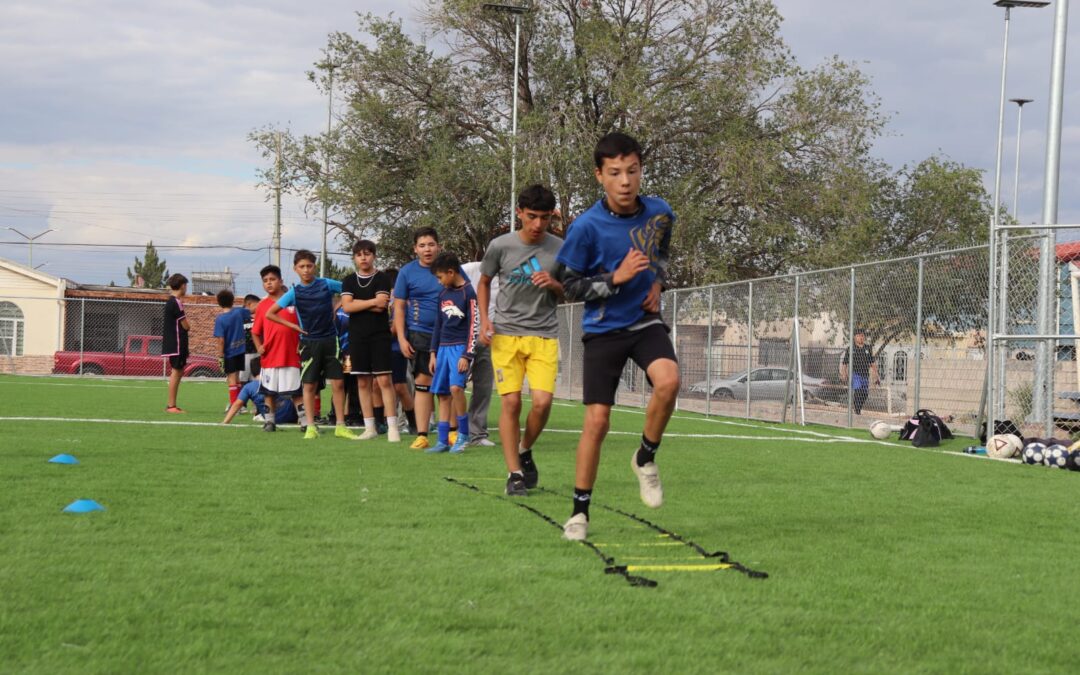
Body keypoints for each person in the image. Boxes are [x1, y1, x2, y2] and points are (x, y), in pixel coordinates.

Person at [556, 132, 680, 541]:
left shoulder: (661, 212)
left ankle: (645, 458)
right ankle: (579, 513)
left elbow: (661, 251)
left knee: (670, 381)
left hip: (644, 323)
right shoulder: (586, 227)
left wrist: (657, 283)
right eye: (615, 173)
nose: (625, 181)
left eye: (632, 171)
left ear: (641, 170)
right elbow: (569, 287)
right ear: (600, 176)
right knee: (597, 421)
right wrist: (616, 279)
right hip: (604, 330)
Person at [478, 184, 564, 496]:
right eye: (531, 217)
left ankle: (525, 449)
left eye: (544, 218)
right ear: (519, 214)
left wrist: (553, 284)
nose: (538, 224)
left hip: (544, 334)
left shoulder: (559, 248)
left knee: (542, 403)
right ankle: (514, 473)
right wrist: (485, 321)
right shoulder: (500, 246)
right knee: (511, 402)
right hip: (506, 334)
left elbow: (569, 291)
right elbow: (484, 282)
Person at [265, 250, 360, 440]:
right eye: (302, 267)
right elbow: (271, 313)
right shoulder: (294, 292)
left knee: (339, 383)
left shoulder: (326, 284)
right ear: (295, 269)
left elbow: (349, 291)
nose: (306, 270)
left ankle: (340, 425)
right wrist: (294, 326)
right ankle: (310, 426)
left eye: (309, 266)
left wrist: (338, 305)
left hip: (331, 340)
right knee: (309, 385)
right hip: (309, 343)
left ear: (314, 266)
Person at [341, 239, 401, 442]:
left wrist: (359, 303)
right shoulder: (348, 280)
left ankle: (393, 427)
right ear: (355, 258)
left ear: (374, 256)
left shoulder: (383, 278)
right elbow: (346, 307)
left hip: (380, 336)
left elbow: (381, 306)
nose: (363, 257)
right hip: (357, 337)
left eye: (367, 253)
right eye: (359, 254)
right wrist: (372, 301)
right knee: (363, 382)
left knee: (384, 380)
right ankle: (370, 428)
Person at [393, 227, 444, 450]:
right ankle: (422, 434)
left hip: (448, 335)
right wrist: (403, 339)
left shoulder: (449, 268)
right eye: (422, 245)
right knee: (423, 383)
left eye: (431, 244)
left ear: (439, 246)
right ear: (415, 249)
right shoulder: (407, 272)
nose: (427, 249)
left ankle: (449, 434)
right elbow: (399, 307)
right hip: (419, 334)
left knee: (448, 386)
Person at [426, 252, 480, 454]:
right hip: (442, 349)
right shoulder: (443, 294)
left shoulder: (469, 293)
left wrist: (467, 355)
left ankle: (463, 435)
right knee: (442, 393)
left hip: (460, 348)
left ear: (451, 272)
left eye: (440, 277)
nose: (439, 282)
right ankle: (442, 440)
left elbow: (474, 325)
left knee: (456, 388)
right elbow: (438, 326)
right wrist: (433, 353)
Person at [251, 265, 303, 432]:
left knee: (296, 391)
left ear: (281, 281)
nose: (269, 283)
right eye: (265, 281)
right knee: (269, 392)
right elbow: (255, 332)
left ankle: (304, 422)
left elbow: (303, 326)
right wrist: (259, 346)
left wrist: (302, 343)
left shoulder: (293, 301)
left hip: (291, 355)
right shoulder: (262, 305)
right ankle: (270, 422)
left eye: (272, 279)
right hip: (270, 356)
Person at [460, 260, 497, 448]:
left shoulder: (510, 277)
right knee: (455, 385)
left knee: (483, 387)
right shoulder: (468, 270)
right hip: (463, 336)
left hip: (491, 338)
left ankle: (477, 434)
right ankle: (454, 430)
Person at [385, 268, 418, 435]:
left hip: (396, 347)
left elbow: (397, 325)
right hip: (383, 347)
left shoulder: (401, 300)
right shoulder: (384, 298)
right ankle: (382, 422)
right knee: (379, 385)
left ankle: (413, 422)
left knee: (399, 386)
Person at [222, 361, 300, 425]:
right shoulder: (276, 378)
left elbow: (237, 404)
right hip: (291, 416)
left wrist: (225, 422)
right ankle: (304, 418)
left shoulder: (249, 387)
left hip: (272, 419)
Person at [213, 289, 252, 411]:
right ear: (232, 301)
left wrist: (220, 356)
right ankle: (241, 405)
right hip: (241, 350)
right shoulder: (238, 312)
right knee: (237, 378)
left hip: (229, 352)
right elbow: (251, 311)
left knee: (231, 378)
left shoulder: (220, 319)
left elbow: (221, 340)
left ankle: (234, 405)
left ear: (219, 303)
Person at [333, 294, 363, 426]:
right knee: (343, 384)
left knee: (354, 384)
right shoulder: (340, 311)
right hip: (344, 353)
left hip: (357, 351)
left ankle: (354, 414)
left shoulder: (360, 307)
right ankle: (336, 414)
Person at [162, 273, 190, 413]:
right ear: (182, 285)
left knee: (178, 372)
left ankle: (172, 405)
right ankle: (171, 405)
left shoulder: (170, 301)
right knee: (176, 372)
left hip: (174, 344)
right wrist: (188, 326)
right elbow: (186, 325)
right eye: (186, 286)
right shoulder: (176, 302)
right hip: (177, 344)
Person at [839, 328, 879, 416]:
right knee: (858, 391)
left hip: (865, 375)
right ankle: (857, 411)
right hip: (855, 374)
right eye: (858, 336)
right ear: (854, 337)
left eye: (862, 336)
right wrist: (844, 373)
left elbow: (872, 363)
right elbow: (845, 362)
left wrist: (876, 375)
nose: (861, 337)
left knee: (865, 394)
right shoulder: (851, 349)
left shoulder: (868, 348)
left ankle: (858, 408)